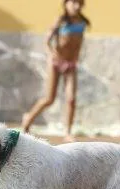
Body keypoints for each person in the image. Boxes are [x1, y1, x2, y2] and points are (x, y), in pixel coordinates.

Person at [21, 0, 90, 142]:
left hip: (71, 64)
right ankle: (28, 119)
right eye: (73, 3)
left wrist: (77, 56)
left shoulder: (82, 22)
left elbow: (79, 41)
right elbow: (47, 40)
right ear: (66, 4)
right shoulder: (61, 21)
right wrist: (51, 53)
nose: (76, 6)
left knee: (71, 99)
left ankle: (68, 132)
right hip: (56, 62)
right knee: (49, 99)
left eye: (79, 3)